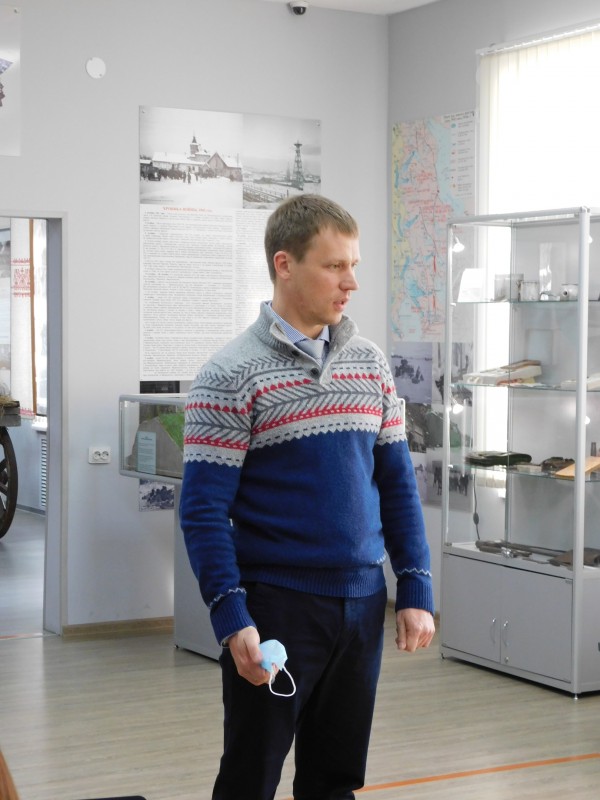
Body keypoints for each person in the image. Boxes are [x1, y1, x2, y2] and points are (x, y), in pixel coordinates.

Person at [179, 193, 435, 800]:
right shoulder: (229, 374)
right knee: (250, 779)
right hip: (278, 607)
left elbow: (397, 485)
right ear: (284, 264)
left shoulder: (370, 364)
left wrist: (415, 586)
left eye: (354, 265)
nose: (351, 282)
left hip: (363, 601)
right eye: (335, 265)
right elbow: (203, 512)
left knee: (335, 781)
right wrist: (230, 617)